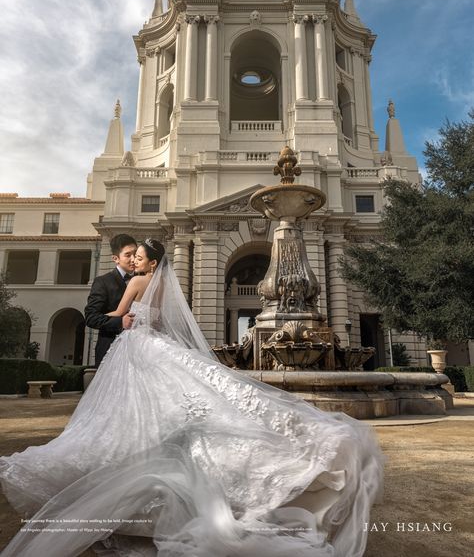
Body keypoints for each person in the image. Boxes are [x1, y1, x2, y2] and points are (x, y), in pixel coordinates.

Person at [0, 240, 384, 557]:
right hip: (157, 346)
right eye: (129, 256)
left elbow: (120, 316)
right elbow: (166, 324)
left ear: (149, 261)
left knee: (130, 412)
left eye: (138, 256)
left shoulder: (136, 283)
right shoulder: (167, 284)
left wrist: (126, 321)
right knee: (188, 396)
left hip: (135, 347)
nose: (133, 260)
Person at [85, 233, 137, 367]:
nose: (133, 259)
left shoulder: (144, 279)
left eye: (135, 254)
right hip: (110, 349)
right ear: (115, 258)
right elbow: (91, 318)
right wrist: (121, 322)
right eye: (127, 255)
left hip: (139, 351)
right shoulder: (102, 282)